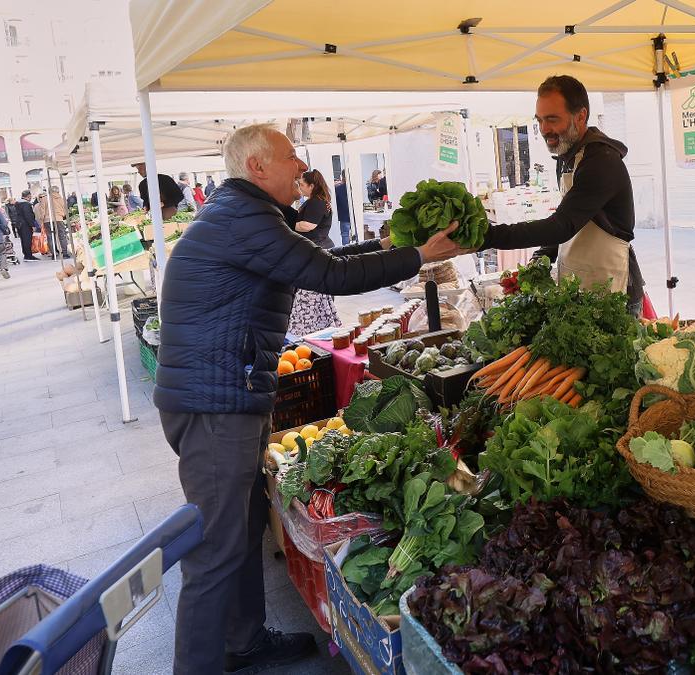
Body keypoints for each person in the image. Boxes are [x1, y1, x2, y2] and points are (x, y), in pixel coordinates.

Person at [153, 123, 466, 675]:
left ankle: (244, 640)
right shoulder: (243, 218)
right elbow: (327, 274)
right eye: (291, 157)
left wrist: (386, 246)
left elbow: (318, 258)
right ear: (256, 166)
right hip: (214, 404)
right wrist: (416, 255)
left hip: (226, 395)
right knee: (214, 553)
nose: (301, 166)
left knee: (243, 528)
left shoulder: (245, 215)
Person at [480, 74, 645, 314]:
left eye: (552, 119)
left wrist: (488, 236)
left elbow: (561, 225)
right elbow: (572, 216)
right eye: (540, 120)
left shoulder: (601, 161)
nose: (545, 129)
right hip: (581, 281)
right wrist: (542, 257)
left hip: (612, 285)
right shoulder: (568, 158)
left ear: (581, 116)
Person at [287, 169, 341, 336]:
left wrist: (284, 224)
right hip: (318, 249)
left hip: (318, 250)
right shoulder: (316, 200)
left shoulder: (316, 202)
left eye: (302, 184)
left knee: (319, 296)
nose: (300, 187)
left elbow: (308, 225)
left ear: (311, 185)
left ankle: (322, 329)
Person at [35, 186, 71, 259]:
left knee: (50, 236)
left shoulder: (45, 199)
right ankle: (65, 253)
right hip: (59, 219)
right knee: (62, 236)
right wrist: (62, 215)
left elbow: (42, 211)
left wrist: (42, 220)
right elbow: (65, 209)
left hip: (48, 220)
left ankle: (54, 254)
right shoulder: (61, 198)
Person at [14, 190, 40, 260]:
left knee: (23, 240)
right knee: (27, 240)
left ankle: (26, 254)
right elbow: (28, 216)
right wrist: (33, 225)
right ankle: (29, 255)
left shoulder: (17, 203)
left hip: (19, 224)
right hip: (25, 225)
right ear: (28, 196)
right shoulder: (26, 204)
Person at [334, 172, 352, 246]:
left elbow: (336, 203)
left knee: (345, 235)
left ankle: (346, 251)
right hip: (354, 215)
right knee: (358, 233)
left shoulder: (338, 188)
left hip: (343, 215)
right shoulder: (354, 188)